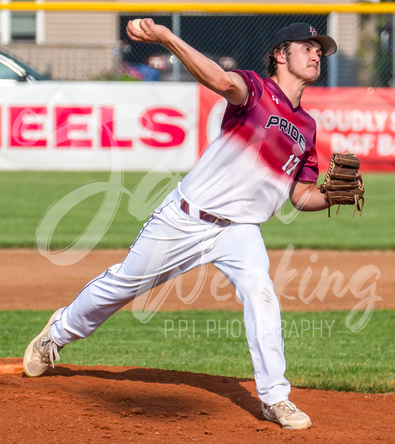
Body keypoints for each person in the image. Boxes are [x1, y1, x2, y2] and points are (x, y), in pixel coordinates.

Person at [23, 21, 337, 430]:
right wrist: (168, 38)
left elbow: (301, 196)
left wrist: (333, 196)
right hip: (187, 216)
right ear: (281, 54)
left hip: (240, 230)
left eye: (320, 49)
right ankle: (58, 333)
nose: (316, 54)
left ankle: (275, 398)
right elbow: (220, 80)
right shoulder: (257, 91)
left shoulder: (307, 128)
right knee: (124, 284)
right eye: (307, 46)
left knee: (261, 294)